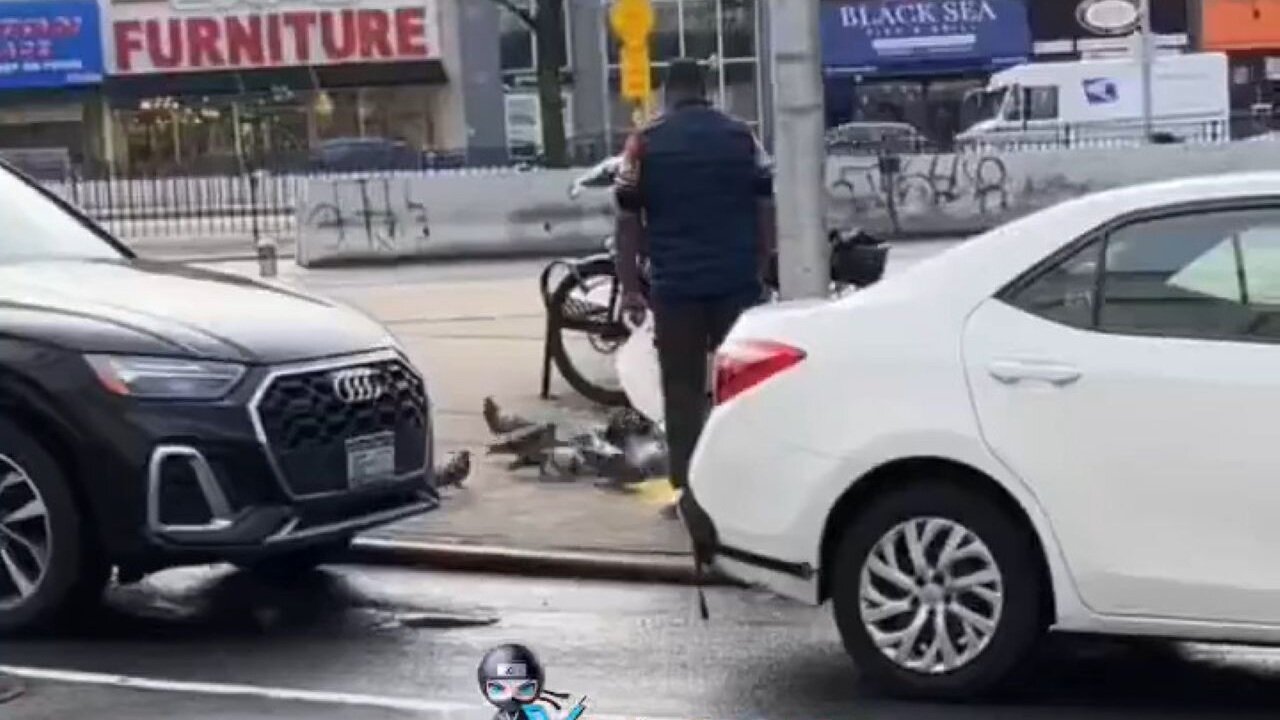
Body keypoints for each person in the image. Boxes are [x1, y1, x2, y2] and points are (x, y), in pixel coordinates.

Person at [612, 57, 777, 518]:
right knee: (741, 389)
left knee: (681, 391)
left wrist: (629, 288)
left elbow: (627, 220)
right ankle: (745, 486)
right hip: (736, 285)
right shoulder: (742, 137)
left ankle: (688, 493)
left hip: (676, 288)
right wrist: (763, 266)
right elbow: (766, 205)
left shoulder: (644, 143)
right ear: (706, 91)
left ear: (668, 93)